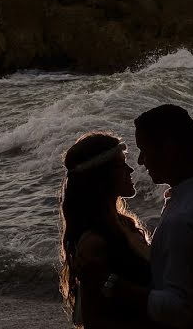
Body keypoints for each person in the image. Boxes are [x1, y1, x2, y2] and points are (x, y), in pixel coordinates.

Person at [133, 104, 193, 329]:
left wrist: (117, 288)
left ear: (169, 149)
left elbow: (178, 308)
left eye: (144, 150)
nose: (140, 160)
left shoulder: (184, 216)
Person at [59, 132, 154, 328]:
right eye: (121, 165)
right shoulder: (94, 242)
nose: (130, 170)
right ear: (101, 177)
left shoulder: (124, 224)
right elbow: (94, 319)